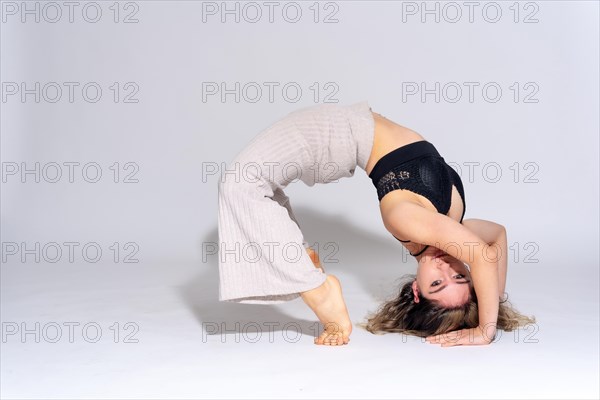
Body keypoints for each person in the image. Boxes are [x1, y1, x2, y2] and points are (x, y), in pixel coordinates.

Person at [217, 101, 534, 346]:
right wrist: (489, 316)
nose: (445, 268)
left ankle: (315, 286)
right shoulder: (447, 228)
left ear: (416, 291)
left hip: (337, 132)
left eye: (437, 283)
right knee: (255, 188)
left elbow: (484, 255)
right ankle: (298, 261)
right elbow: (495, 242)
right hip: (347, 130)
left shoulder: (409, 222)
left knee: (241, 183)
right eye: (459, 277)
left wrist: (485, 327)